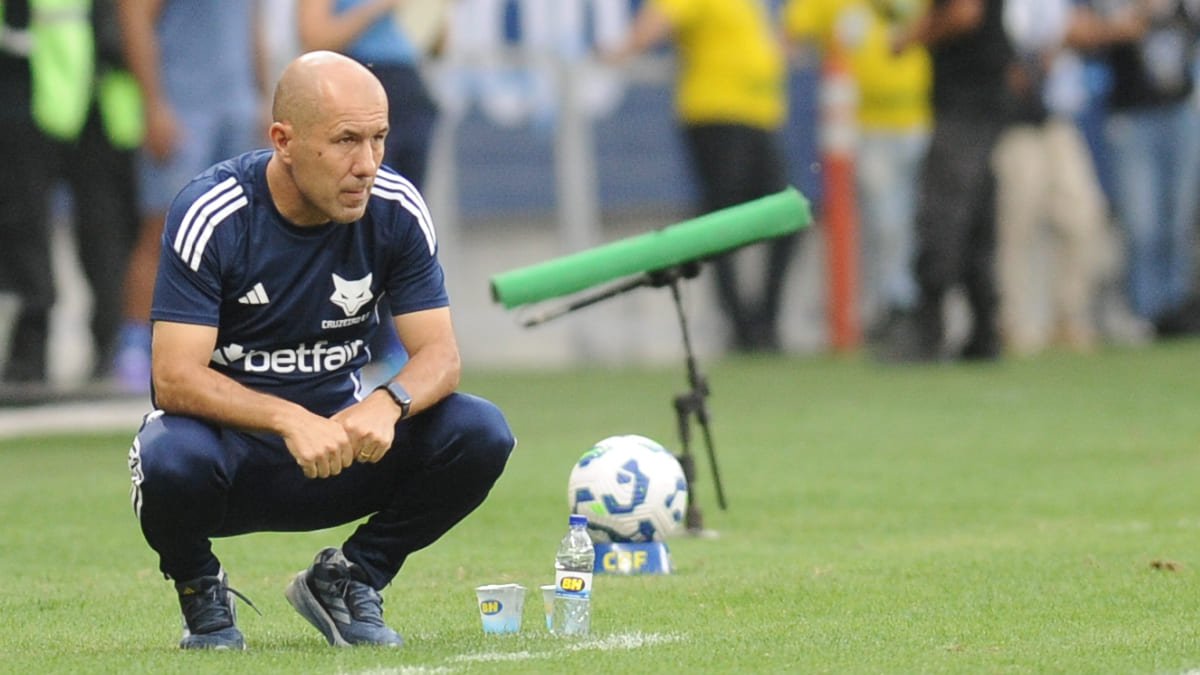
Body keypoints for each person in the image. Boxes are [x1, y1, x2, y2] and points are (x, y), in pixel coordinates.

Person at [126, 51, 515, 650]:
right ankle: (200, 591)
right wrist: (289, 419)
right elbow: (173, 377)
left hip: (340, 450)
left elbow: (440, 356)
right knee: (166, 458)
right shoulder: (214, 212)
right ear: (283, 141)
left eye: (379, 138)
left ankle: (351, 577)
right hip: (231, 461)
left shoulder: (395, 208)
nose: (368, 164)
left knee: (480, 431)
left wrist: (387, 403)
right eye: (346, 141)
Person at [603, 0, 799, 353]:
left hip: (760, 116)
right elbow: (659, 19)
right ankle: (741, 324)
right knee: (720, 221)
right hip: (717, 115)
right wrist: (619, 50)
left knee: (788, 217)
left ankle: (764, 320)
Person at [112, 0, 267, 393]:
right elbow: (134, 20)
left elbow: (252, 27)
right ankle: (134, 344)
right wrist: (153, 106)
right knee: (164, 229)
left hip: (237, 107)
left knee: (242, 235)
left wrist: (264, 99)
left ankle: (233, 343)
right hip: (183, 106)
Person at [296, 0, 447, 379]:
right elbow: (314, 37)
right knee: (356, 223)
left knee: (401, 224)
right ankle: (349, 347)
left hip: (409, 90)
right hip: (356, 90)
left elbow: (437, 45)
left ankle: (392, 346)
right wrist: (376, 8)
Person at [783, 0, 932, 342]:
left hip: (919, 118)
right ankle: (892, 304)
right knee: (884, 221)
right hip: (866, 125)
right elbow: (790, 36)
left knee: (913, 221)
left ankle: (906, 304)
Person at [882, 0, 1013, 362]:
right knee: (976, 219)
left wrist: (908, 37)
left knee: (941, 216)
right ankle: (984, 332)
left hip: (965, 101)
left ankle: (927, 332)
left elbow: (963, 12)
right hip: (985, 96)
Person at [992, 0, 1113, 355]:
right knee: (1017, 224)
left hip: (1058, 118)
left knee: (1083, 215)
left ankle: (1068, 317)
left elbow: (1083, 30)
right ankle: (1011, 322)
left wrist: (1063, 40)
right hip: (1013, 122)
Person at [1073, 0, 1200, 337]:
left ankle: (1177, 309)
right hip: (1133, 117)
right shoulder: (1115, 7)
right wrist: (1123, 25)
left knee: (1178, 220)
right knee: (1142, 222)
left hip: (1179, 114)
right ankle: (1145, 311)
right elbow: (1084, 37)